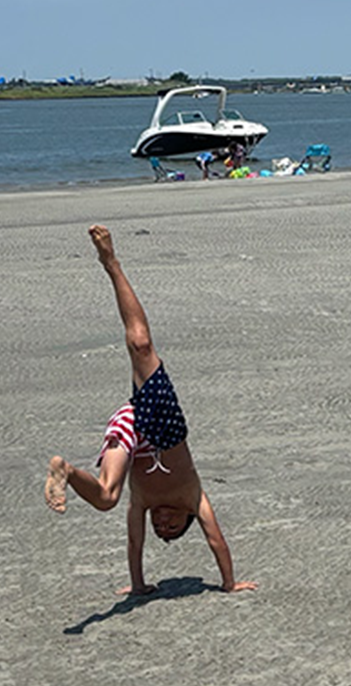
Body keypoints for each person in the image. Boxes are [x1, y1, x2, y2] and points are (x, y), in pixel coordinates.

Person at [44, 225, 257, 596]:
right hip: (166, 427)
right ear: (186, 517)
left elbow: (134, 544)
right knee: (140, 345)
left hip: (132, 430)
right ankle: (111, 262)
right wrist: (228, 583)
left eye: (161, 529)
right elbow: (216, 541)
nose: (162, 524)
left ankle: (65, 469)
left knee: (109, 498)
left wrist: (139, 585)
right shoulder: (194, 498)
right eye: (171, 527)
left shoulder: (143, 501)